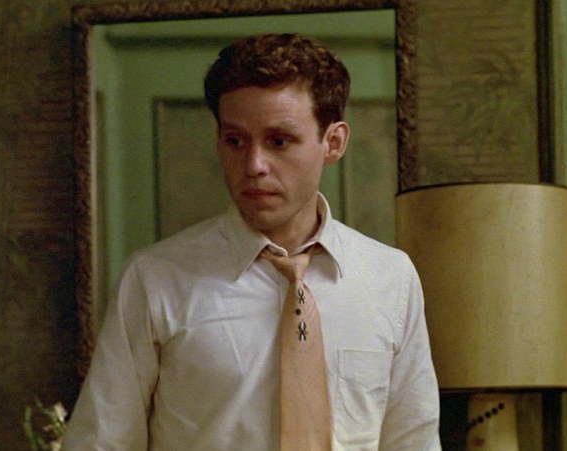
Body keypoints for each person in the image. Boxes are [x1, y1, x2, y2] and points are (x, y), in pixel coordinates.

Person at [64, 33, 440, 450]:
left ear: (333, 143)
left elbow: (414, 441)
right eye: (235, 141)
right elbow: (102, 442)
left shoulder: (391, 278)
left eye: (279, 141)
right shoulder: (156, 279)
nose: (254, 165)